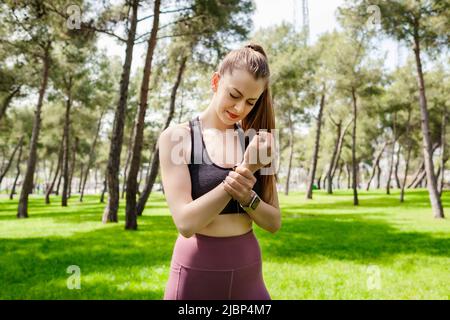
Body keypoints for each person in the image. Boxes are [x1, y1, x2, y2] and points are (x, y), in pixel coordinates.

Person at [159, 43, 281, 300]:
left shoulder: (256, 142)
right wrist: (245, 170)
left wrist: (248, 197)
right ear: (216, 81)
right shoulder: (178, 137)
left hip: (248, 273)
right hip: (195, 273)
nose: (239, 109)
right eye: (234, 95)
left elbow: (273, 222)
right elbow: (186, 222)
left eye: (250, 102)